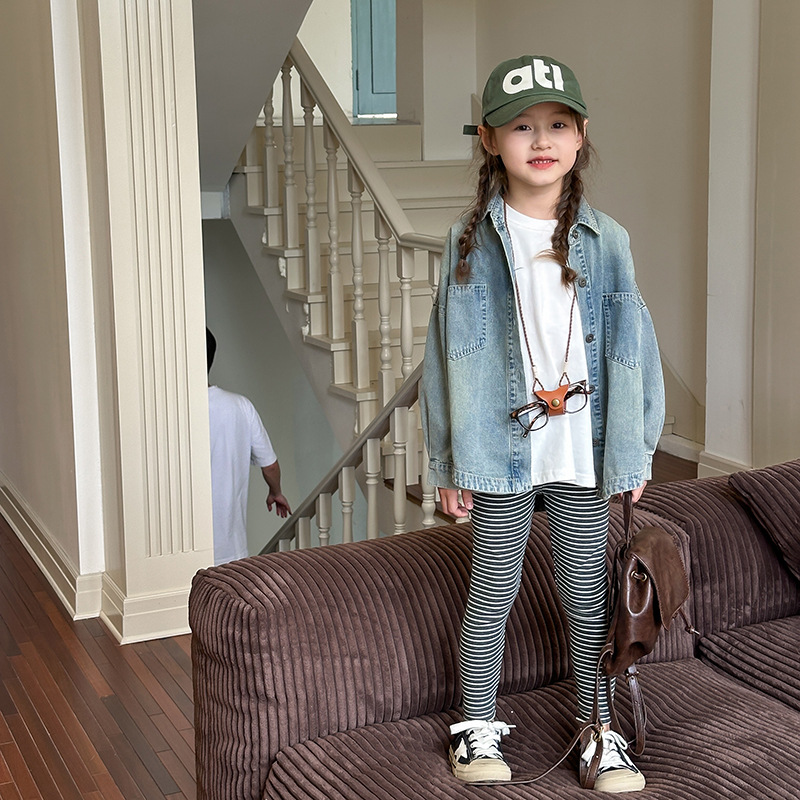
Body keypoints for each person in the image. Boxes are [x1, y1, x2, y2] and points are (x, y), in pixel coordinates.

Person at [420, 55, 664, 792]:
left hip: (582, 449)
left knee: (588, 599)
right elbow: (443, 357)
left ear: (581, 136)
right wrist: (448, 463)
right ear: (490, 141)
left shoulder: (608, 240)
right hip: (498, 448)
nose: (541, 140)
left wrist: (636, 449)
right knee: (492, 592)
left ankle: (599, 731)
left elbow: (634, 348)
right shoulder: (468, 244)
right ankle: (476, 727)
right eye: (521, 126)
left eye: (557, 124)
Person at [206, 328, 291, 565]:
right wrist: (276, 492)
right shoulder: (240, 406)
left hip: (181, 549)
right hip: (231, 549)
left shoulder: (169, 412)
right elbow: (270, 466)